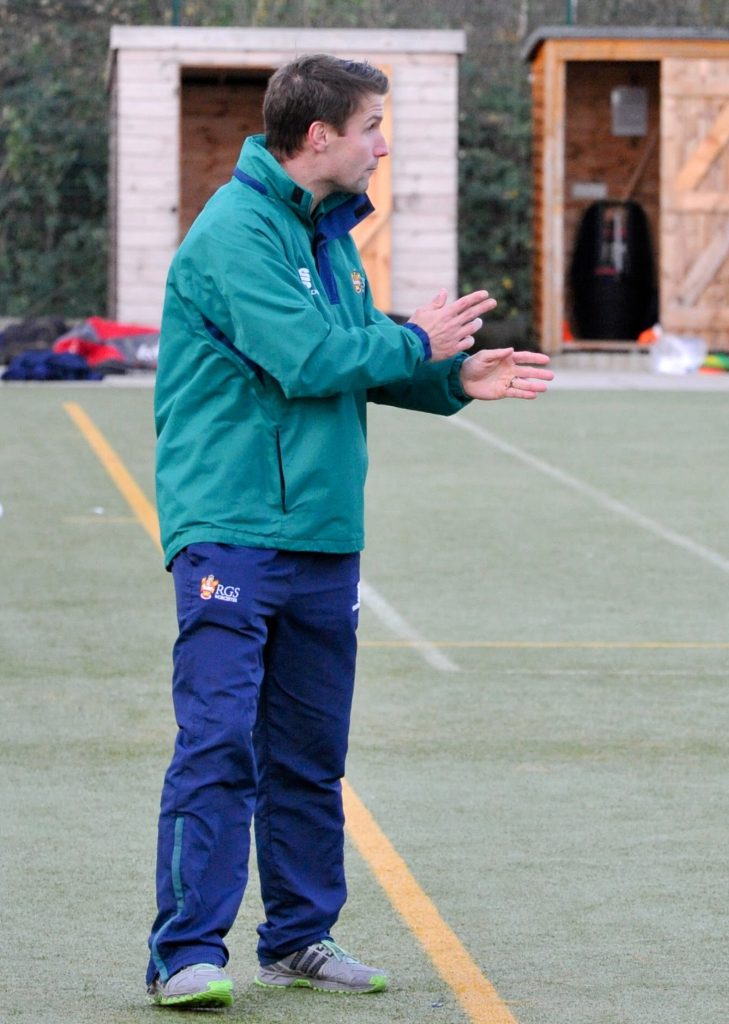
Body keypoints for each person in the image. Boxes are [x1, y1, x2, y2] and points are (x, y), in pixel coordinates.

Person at [146, 53, 553, 1010]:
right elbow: (308, 357)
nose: (382, 143)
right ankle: (184, 955)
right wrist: (417, 338)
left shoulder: (322, 232)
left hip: (324, 534)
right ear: (319, 135)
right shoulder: (235, 231)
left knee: (307, 750)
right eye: (372, 125)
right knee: (217, 744)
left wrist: (451, 378)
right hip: (232, 528)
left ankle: (297, 938)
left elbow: (356, 354)